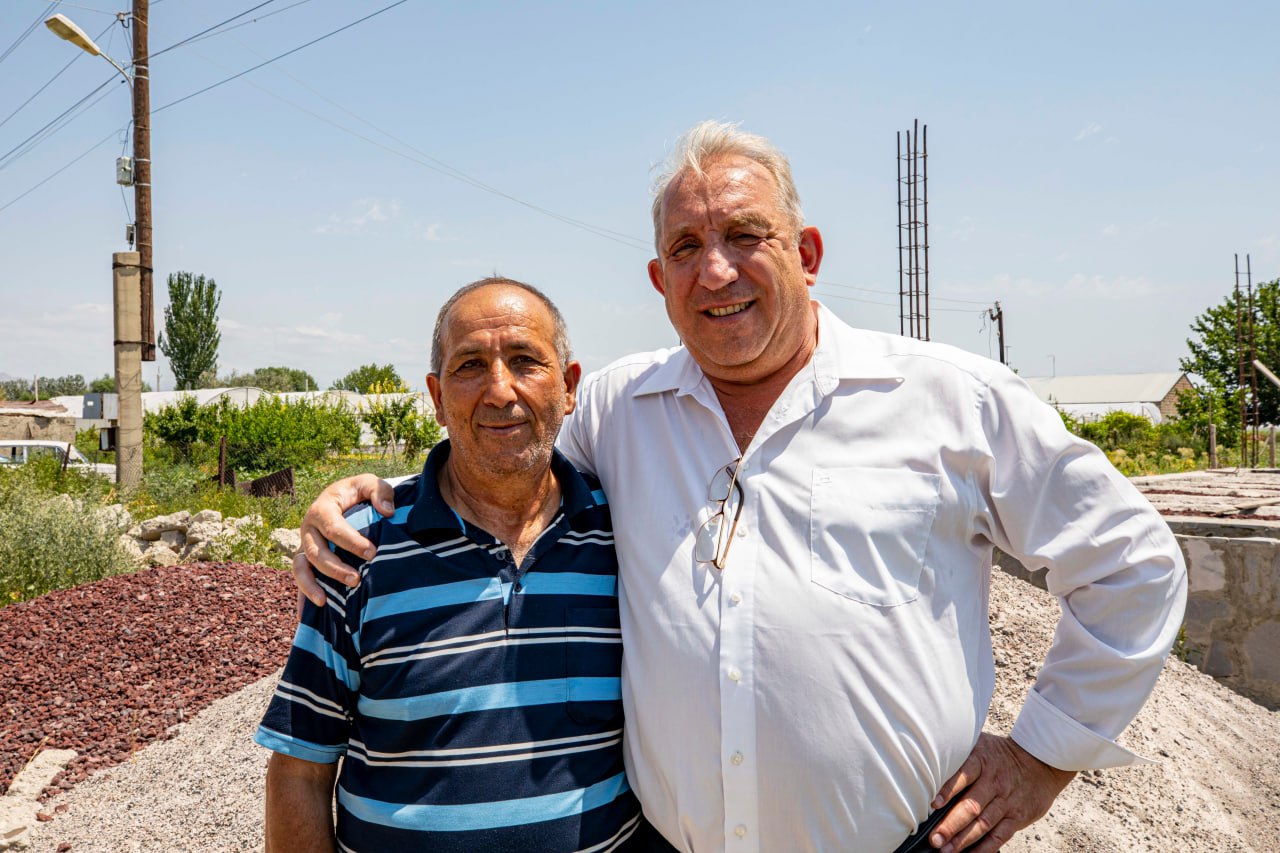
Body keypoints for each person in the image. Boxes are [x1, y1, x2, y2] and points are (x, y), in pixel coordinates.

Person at [293, 123, 1187, 853]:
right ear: (659, 280)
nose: (715, 270)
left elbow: (1133, 564)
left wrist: (1038, 758)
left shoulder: (950, 399)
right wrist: (370, 501)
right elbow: (503, 446)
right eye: (686, 247)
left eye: (745, 236)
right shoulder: (619, 409)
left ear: (807, 252)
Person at [256, 279, 649, 851]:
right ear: (437, 398)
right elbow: (301, 767)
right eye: (470, 366)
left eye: (525, 361)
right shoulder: (360, 548)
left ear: (568, 387)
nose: (500, 390)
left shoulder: (624, 533)